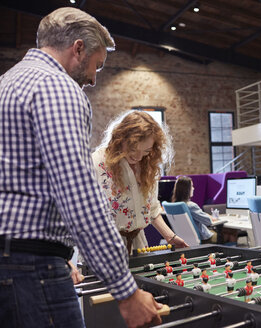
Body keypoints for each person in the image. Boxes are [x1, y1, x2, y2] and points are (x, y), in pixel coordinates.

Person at [0, 7, 162, 327]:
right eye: (96, 65)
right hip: (31, 266)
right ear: (78, 49)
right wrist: (126, 290)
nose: (92, 78)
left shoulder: (7, 82)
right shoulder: (57, 88)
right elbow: (79, 196)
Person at [92, 111, 188, 254]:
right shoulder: (96, 163)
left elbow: (152, 209)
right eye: (133, 149)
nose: (138, 156)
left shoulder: (147, 165)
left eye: (146, 151)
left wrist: (170, 236)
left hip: (137, 245)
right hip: (104, 246)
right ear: (120, 139)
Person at [171, 176, 218, 243]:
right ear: (186, 189)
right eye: (192, 186)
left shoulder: (175, 206)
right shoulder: (191, 206)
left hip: (185, 239)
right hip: (203, 239)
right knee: (231, 234)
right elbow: (208, 222)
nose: (193, 188)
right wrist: (210, 217)